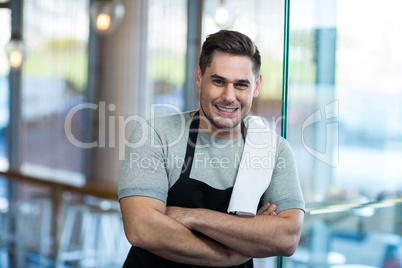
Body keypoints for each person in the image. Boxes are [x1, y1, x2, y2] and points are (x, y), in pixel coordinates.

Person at [118, 30, 305, 267]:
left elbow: (286, 238)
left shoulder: (274, 150)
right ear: (199, 77)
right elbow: (141, 229)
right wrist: (235, 252)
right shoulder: (156, 135)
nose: (229, 96)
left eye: (241, 85)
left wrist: (192, 216)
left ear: (256, 86)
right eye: (218, 81)